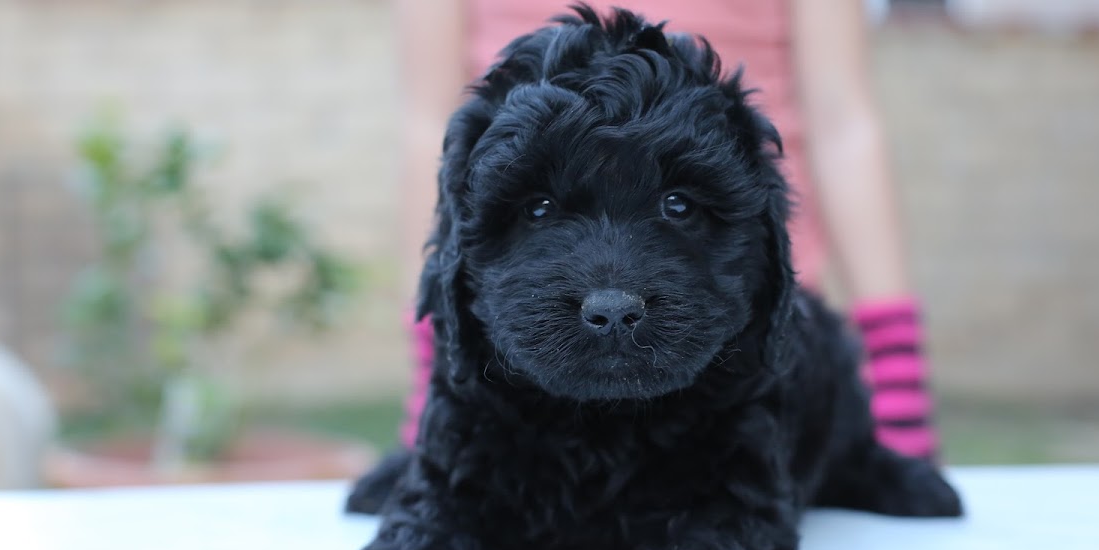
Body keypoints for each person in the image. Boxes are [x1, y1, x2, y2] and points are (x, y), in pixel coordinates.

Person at [393, 0, 939, 460]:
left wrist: (895, 379)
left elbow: (842, 124)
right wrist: (437, 366)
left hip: (735, 337)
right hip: (520, 356)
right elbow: (434, 128)